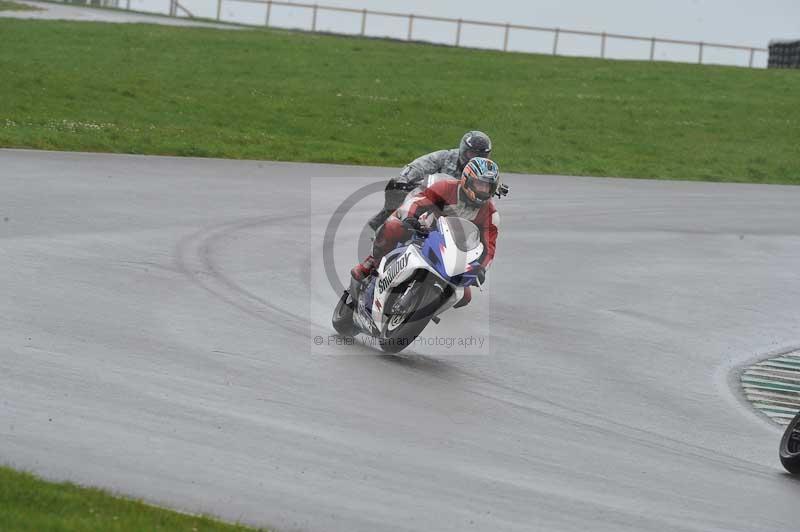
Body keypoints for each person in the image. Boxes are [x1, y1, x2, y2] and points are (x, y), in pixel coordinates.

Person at [352, 157, 502, 306]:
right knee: (393, 228)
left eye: (487, 186)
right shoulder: (446, 187)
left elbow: (489, 248)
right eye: (479, 184)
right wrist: (410, 218)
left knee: (465, 296)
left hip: (453, 252)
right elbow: (417, 201)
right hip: (423, 232)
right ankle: (370, 263)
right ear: (467, 179)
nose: (483, 190)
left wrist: (481, 269)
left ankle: (425, 308)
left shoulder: (490, 214)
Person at [366, 131, 493, 231]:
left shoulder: (485, 171)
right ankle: (382, 228)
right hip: (431, 197)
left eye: (481, 156)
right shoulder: (446, 157)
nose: (476, 159)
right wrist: (404, 180)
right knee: (396, 190)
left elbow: (492, 183)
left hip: (458, 210)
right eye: (472, 154)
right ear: (463, 150)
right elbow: (420, 165)